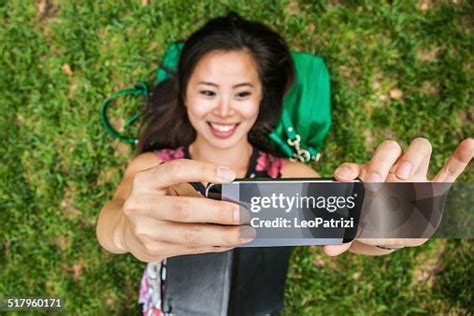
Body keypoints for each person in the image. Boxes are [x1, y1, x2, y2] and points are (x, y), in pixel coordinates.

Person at [96, 12, 473, 316]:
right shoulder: (155, 169)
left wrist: (392, 224)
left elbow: (353, 233)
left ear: (263, 99)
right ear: (184, 94)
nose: (224, 110)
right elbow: (111, 220)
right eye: (208, 92)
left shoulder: (288, 175)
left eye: (242, 93)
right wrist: (127, 232)